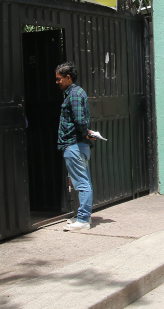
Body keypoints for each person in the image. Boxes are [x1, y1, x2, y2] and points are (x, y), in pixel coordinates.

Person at [56, 62, 94, 232]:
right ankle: (82, 216)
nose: (57, 82)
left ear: (68, 77)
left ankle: (83, 220)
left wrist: (84, 132)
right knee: (84, 181)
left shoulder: (74, 95)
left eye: (59, 79)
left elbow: (79, 120)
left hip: (74, 145)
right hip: (78, 145)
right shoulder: (74, 93)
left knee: (82, 183)